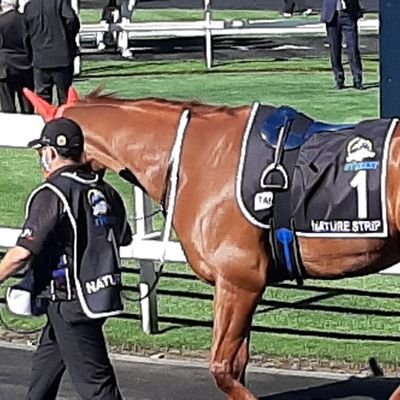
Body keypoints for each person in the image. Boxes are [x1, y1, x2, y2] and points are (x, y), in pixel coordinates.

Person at [0, 117, 132, 399]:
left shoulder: (52, 193)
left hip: (69, 303)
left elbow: (22, 253)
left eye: (41, 152)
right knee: (42, 379)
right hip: (97, 296)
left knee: (97, 388)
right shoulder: (105, 190)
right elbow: (123, 236)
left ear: (50, 152)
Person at [24, 0, 80, 105]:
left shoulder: (30, 6)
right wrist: (68, 37)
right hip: (61, 56)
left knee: (42, 99)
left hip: (39, 58)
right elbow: (71, 20)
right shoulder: (60, 2)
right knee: (65, 97)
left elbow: (26, 33)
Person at [321, 0, 364, 90]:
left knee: (353, 47)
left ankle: (357, 79)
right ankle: (339, 78)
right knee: (334, 49)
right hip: (332, 15)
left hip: (348, 14)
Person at [0, 0, 33, 113]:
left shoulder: (1, 21)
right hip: (25, 63)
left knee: (7, 104)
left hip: (5, 65)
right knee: (27, 102)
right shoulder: (26, 20)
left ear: (4, 4)